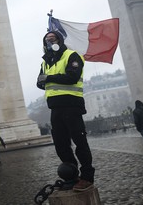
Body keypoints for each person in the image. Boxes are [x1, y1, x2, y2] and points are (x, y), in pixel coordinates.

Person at [37, 30, 95, 192]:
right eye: (46, 39)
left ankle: (87, 177)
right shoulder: (45, 61)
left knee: (79, 142)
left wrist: (48, 78)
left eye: (52, 38)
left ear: (59, 40)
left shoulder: (72, 55)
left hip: (71, 104)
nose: (49, 41)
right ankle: (72, 176)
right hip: (55, 107)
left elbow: (72, 78)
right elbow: (39, 82)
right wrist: (43, 81)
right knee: (61, 144)